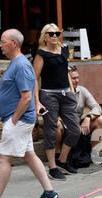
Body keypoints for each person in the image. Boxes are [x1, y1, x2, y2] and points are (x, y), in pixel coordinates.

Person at [0, 29, 61, 198]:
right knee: (29, 154)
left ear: (14, 43)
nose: (0, 45)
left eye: (3, 41)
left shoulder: (21, 65)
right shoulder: (17, 63)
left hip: (18, 120)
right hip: (19, 119)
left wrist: (13, 121)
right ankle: (50, 193)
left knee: (4, 158)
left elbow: (26, 97)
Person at [33, 23, 81, 181]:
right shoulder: (41, 54)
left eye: (57, 33)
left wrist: (72, 90)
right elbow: (35, 78)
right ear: (45, 36)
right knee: (51, 130)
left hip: (66, 93)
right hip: (49, 95)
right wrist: (37, 101)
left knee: (75, 129)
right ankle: (53, 167)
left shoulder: (64, 49)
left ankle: (62, 160)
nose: (54, 36)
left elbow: (65, 69)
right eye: (51, 33)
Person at [67, 65, 102, 165]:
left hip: (79, 125)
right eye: (73, 78)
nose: (76, 80)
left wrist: (88, 117)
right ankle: (59, 157)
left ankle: (94, 154)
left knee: (101, 120)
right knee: (57, 127)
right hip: (66, 126)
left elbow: (97, 107)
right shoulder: (61, 92)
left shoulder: (82, 90)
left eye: (77, 77)